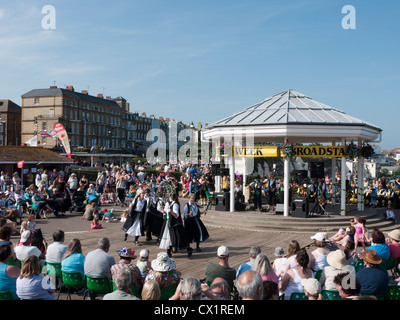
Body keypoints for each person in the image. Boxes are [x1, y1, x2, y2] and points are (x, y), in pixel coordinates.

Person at [158, 193, 193, 258]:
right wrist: (163, 210)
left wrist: (171, 212)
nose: (168, 197)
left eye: (169, 195)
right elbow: (166, 212)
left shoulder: (175, 204)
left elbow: (176, 215)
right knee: (169, 237)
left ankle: (189, 249)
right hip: (169, 222)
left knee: (178, 238)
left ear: (171, 196)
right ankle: (168, 251)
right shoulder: (169, 203)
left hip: (175, 224)